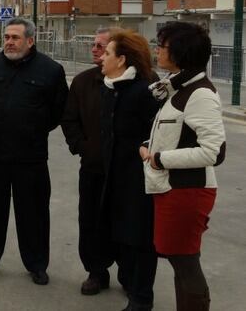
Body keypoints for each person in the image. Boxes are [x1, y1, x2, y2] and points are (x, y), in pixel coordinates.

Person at [0, 17, 68, 286]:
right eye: (6, 37)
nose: (9, 42)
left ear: (30, 40)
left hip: (31, 156)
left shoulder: (51, 70)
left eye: (15, 37)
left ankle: (37, 265)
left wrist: (31, 128)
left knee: (33, 213)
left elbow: (58, 111)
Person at [140, 22, 226, 311]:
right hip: (172, 188)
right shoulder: (180, 87)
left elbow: (214, 151)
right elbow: (177, 133)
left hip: (187, 190)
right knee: (180, 259)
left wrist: (160, 158)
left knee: (185, 261)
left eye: (161, 46)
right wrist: (150, 148)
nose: (157, 50)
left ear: (179, 52)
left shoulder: (200, 93)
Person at [98, 30, 160, 311]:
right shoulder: (113, 88)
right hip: (116, 177)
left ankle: (141, 298)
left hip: (139, 181)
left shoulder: (143, 91)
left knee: (140, 239)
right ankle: (129, 284)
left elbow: (152, 136)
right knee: (121, 234)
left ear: (122, 60)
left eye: (108, 53)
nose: (102, 57)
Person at [61, 28, 123, 295]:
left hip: (127, 170)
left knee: (125, 220)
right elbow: (69, 119)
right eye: (94, 45)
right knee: (91, 220)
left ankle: (130, 274)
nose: (95, 49)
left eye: (102, 46)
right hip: (93, 166)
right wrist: (82, 147)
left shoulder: (143, 81)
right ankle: (96, 271)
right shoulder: (84, 81)